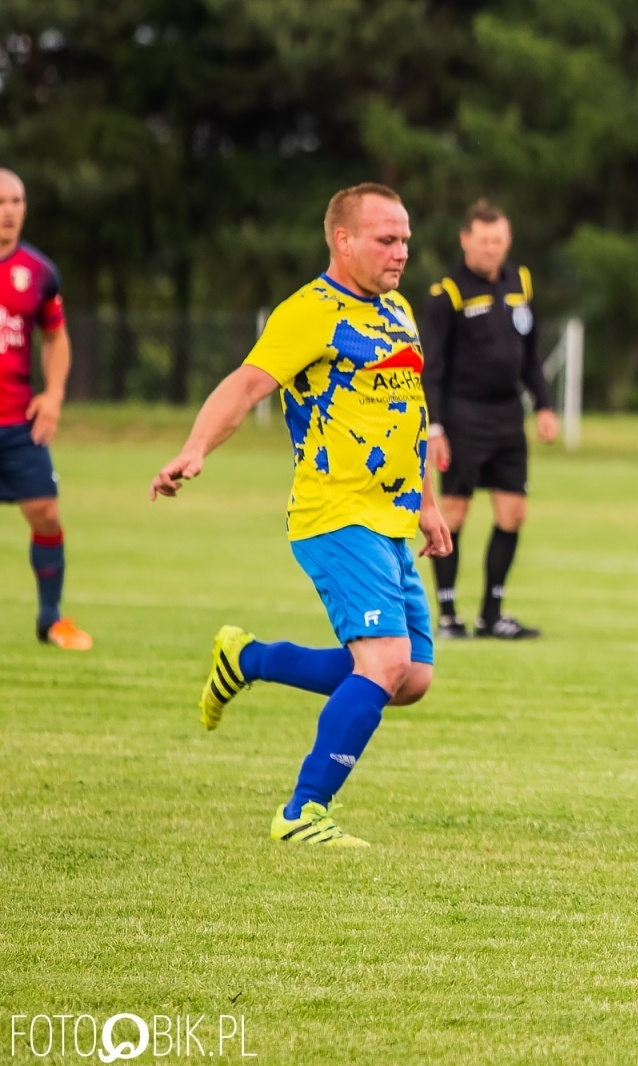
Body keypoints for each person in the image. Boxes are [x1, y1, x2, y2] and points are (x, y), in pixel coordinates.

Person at [150, 183, 452, 847]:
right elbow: (246, 383)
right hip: (336, 512)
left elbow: (410, 412)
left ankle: (248, 659)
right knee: (384, 661)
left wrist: (427, 503)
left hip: (393, 516)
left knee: (411, 679)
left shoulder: (399, 311)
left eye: (405, 238)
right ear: (342, 240)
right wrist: (196, 447)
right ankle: (302, 812)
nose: (401, 251)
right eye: (386, 238)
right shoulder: (310, 311)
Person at [420, 199, 558, 641]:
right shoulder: (449, 293)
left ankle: (492, 614)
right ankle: (447, 616)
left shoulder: (520, 282)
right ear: (466, 240)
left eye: (498, 240)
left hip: (506, 416)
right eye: (483, 241)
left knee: (513, 512)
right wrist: (435, 427)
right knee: (455, 512)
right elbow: (431, 367)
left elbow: (531, 353)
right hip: (461, 415)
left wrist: (545, 405)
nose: (491, 249)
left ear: (508, 240)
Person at [0, 168, 90, 650]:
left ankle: (50, 619)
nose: (9, 211)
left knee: (46, 513)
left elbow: (55, 337)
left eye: (17, 201)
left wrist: (53, 395)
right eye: (0, 202)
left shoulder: (38, 272)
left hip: (16, 421)